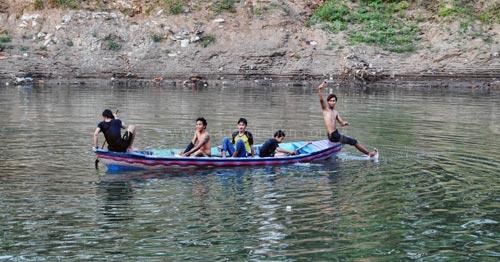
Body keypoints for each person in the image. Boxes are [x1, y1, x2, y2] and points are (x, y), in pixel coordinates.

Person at [317, 81, 377, 157]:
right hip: (333, 135)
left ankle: (338, 144)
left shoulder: (336, 112)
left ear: (336, 102)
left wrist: (344, 123)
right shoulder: (325, 110)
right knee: (354, 141)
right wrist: (320, 88)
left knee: (345, 137)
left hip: (335, 134)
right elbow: (321, 100)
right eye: (331, 101)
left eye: (334, 101)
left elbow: (341, 123)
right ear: (328, 102)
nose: (332, 102)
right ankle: (369, 154)